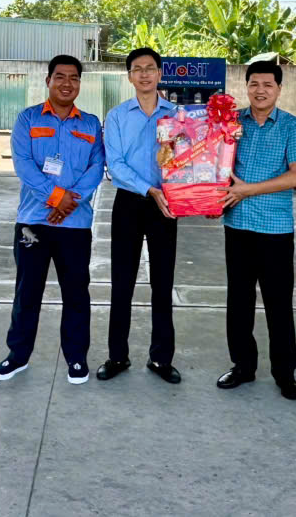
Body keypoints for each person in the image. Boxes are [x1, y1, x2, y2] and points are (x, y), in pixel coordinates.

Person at [0, 55, 105, 385]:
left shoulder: (90, 124)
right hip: (33, 222)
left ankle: (76, 358)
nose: (67, 83)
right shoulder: (27, 119)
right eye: (60, 77)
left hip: (75, 224)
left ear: (79, 84)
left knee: (76, 293)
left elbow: (96, 167)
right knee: (27, 293)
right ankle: (17, 356)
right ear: (48, 81)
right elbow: (24, 165)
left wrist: (71, 201)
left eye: (74, 78)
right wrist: (57, 198)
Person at [216, 60, 296, 400]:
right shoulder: (231, 123)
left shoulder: (291, 126)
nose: (260, 90)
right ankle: (243, 366)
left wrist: (247, 190)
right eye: (254, 84)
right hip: (237, 226)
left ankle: (285, 374)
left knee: (278, 304)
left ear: (279, 89)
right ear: (246, 86)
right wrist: (211, 200)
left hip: (275, 230)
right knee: (238, 302)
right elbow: (216, 166)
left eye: (268, 84)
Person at [98, 47, 181, 385]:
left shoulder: (178, 115)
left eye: (150, 68)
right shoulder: (117, 116)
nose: (144, 74)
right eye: (137, 69)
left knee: (163, 283)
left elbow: (190, 160)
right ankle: (117, 356)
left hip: (167, 205)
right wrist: (149, 189)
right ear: (130, 76)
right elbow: (115, 165)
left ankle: (161, 358)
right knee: (122, 282)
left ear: (160, 74)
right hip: (130, 203)